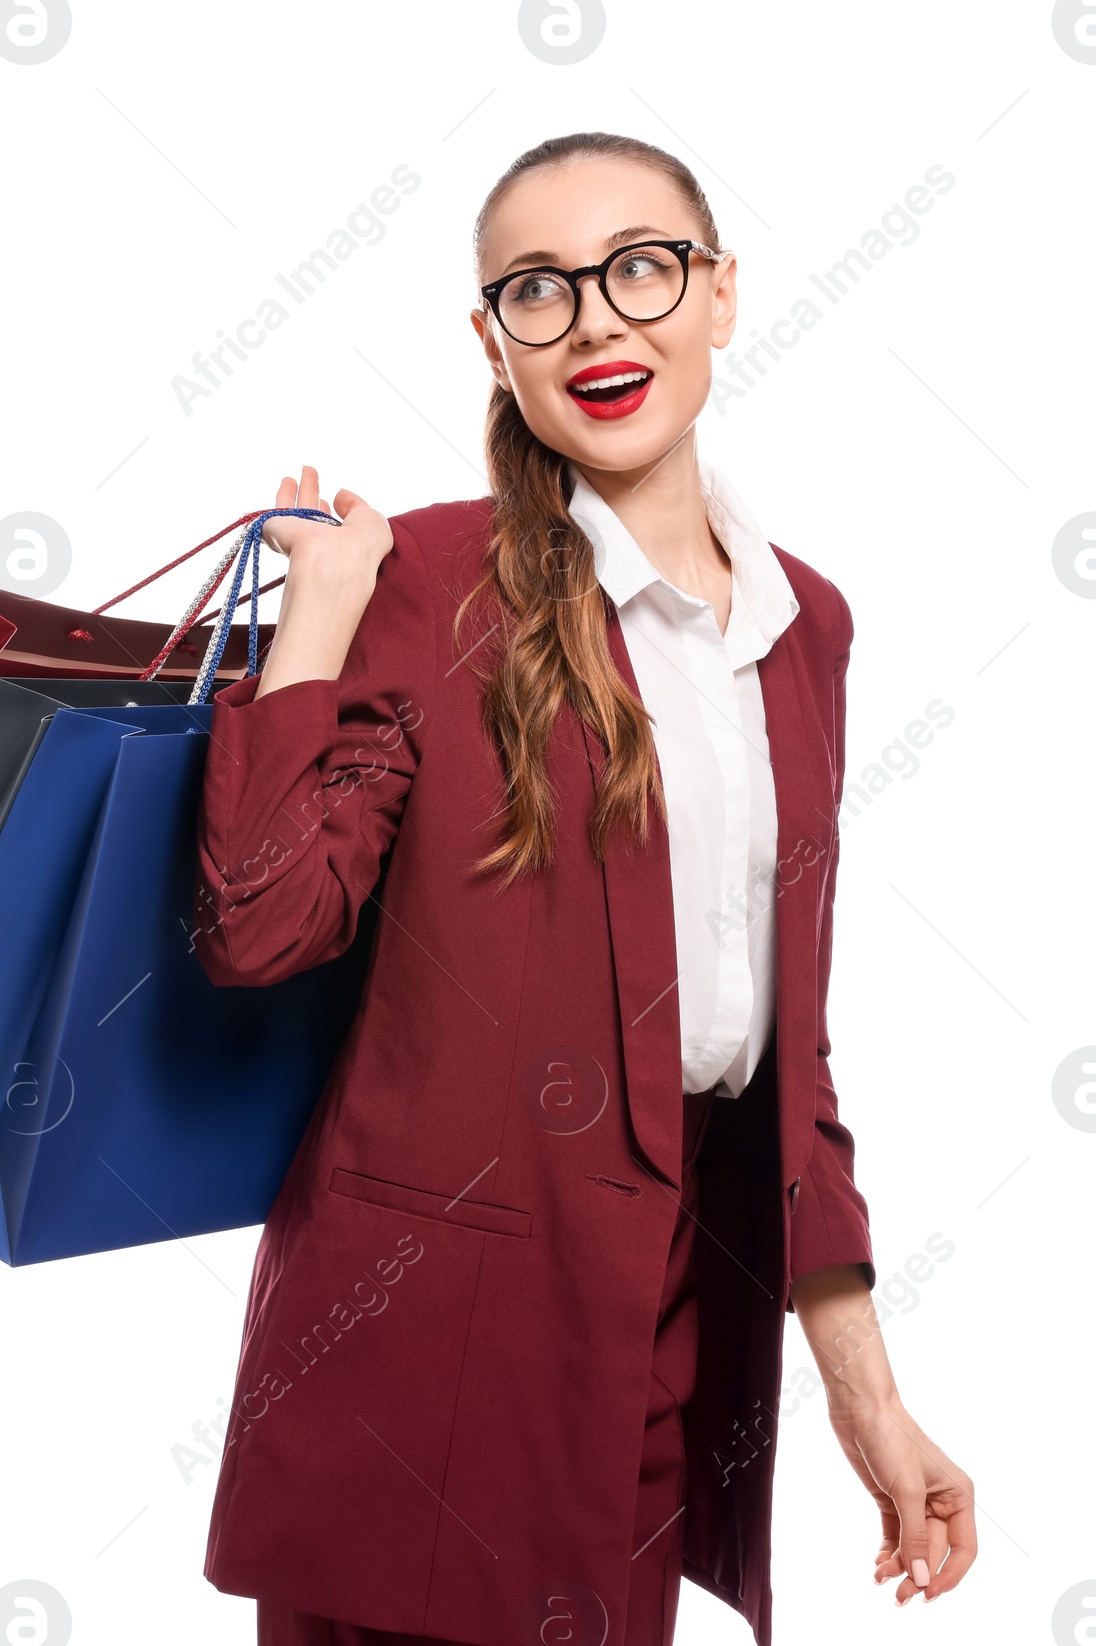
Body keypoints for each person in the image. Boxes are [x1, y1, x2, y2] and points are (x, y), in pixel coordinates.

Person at [190, 131, 975, 1646]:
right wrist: (317, 621)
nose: (599, 321)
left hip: (662, 1342)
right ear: (493, 343)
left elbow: (780, 1052)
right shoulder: (420, 579)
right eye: (540, 291)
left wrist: (868, 1403)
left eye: (641, 267)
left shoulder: (808, 624)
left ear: (721, 296)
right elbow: (261, 921)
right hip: (424, 1364)